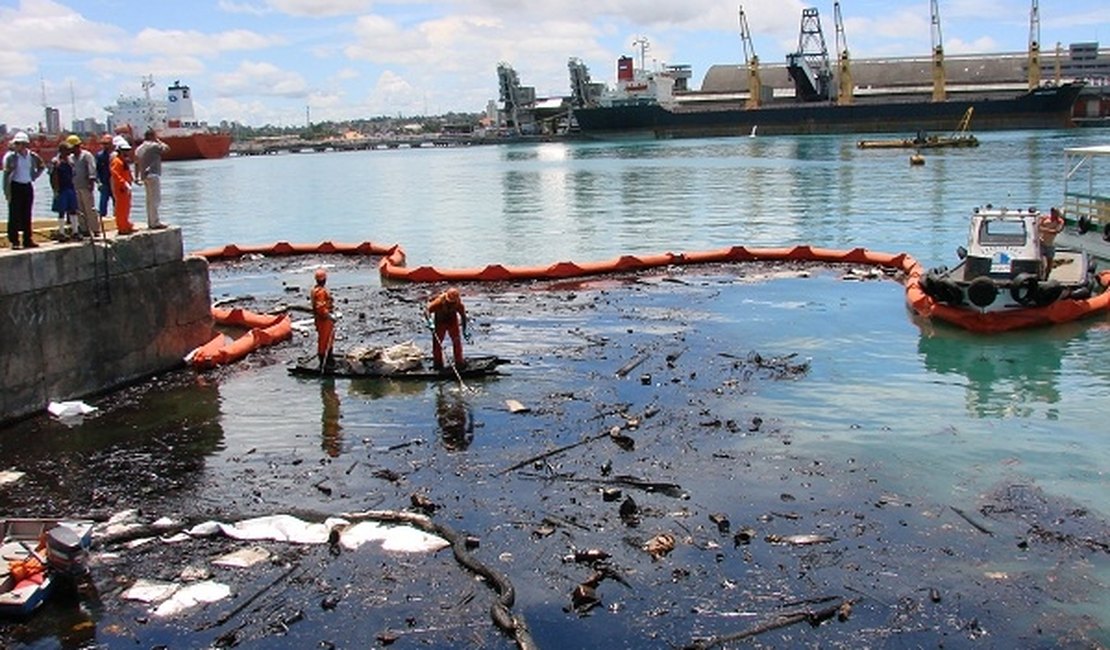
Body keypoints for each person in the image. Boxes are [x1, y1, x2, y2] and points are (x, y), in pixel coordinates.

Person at [3, 131, 46, 249]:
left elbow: (41, 165)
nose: (18, 146)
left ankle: (27, 239)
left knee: (27, 214)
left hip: (27, 186)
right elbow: (6, 175)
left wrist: (34, 176)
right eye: (17, 143)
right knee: (14, 214)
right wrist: (7, 192)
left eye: (21, 143)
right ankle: (14, 241)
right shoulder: (11, 157)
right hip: (15, 186)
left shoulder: (31, 156)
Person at [425, 287, 469, 370]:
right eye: (449, 302)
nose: (451, 304)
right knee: (437, 343)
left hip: (452, 321)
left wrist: (464, 330)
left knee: (456, 341)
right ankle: (438, 364)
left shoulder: (459, 304)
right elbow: (427, 311)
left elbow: (463, 316)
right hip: (440, 322)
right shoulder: (438, 302)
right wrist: (430, 321)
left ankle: (459, 363)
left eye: (453, 303)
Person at [134, 129, 170, 229]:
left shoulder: (139, 148)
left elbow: (136, 163)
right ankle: (155, 222)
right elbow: (167, 148)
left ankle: (150, 221)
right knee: (155, 199)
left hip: (144, 176)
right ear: (152, 136)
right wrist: (158, 140)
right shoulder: (154, 146)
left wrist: (136, 177)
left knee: (149, 200)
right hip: (153, 174)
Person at [69, 134, 99, 238]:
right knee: (80, 210)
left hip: (85, 186)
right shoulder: (71, 158)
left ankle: (95, 229)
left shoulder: (86, 155)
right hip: (75, 186)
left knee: (90, 208)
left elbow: (92, 168)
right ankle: (84, 229)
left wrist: (91, 182)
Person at [48, 142, 78, 240]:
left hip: (70, 187)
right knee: (61, 211)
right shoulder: (56, 162)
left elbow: (73, 174)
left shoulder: (70, 161)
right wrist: (55, 190)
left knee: (73, 209)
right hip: (61, 189)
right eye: (67, 150)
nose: (69, 152)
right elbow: (52, 177)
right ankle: (61, 232)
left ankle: (75, 231)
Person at [109, 137, 135, 235]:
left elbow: (126, 171)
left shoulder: (122, 160)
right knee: (121, 207)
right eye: (124, 150)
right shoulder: (116, 161)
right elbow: (115, 173)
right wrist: (123, 182)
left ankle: (126, 224)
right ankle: (122, 227)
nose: (126, 152)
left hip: (126, 187)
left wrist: (131, 180)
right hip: (121, 188)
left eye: (127, 150)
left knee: (127, 206)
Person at [311, 267, 336, 368]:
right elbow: (321, 308)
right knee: (324, 340)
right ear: (324, 279)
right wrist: (329, 315)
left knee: (327, 339)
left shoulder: (315, 290)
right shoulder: (320, 292)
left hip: (322, 319)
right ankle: (324, 362)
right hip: (324, 320)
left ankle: (329, 359)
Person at [1037, 206, 1065, 279]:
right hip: (1041, 242)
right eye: (1054, 213)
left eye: (1057, 213)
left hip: (1050, 244)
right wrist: (1049, 229)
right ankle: (1041, 276)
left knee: (1049, 263)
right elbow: (1038, 227)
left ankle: (1046, 277)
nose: (1056, 215)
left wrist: (1044, 229)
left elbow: (1057, 231)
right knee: (1041, 261)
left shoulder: (1060, 221)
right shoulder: (1045, 219)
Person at [94, 134, 115, 218]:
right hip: (104, 182)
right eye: (104, 144)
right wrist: (98, 182)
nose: (105, 146)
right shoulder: (100, 156)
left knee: (117, 201)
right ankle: (102, 218)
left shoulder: (116, 155)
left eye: (107, 143)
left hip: (114, 182)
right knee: (103, 201)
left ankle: (117, 218)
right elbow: (96, 170)